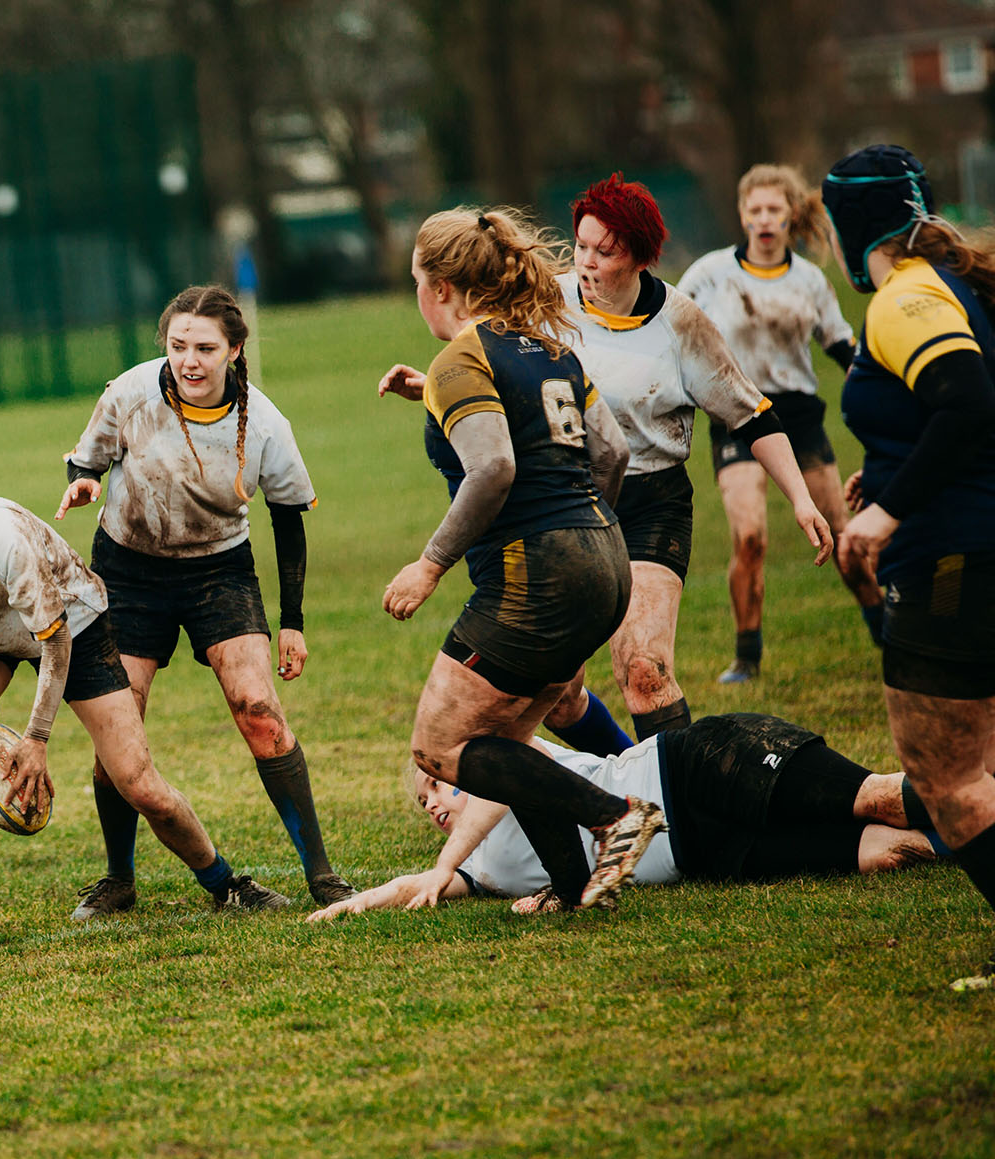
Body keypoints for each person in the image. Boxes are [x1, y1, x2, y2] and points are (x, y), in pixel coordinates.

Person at [0, 431, 288, 961]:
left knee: (137, 781)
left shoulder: (0, 538)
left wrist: (34, 738)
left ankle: (227, 885)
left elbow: (53, 640)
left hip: (71, 629)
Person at [375, 206, 660, 914]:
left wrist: (430, 564)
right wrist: (583, 541)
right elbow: (612, 454)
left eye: (416, 281)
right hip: (605, 555)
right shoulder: (548, 349)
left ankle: (614, 815)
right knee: (508, 736)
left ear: (440, 287)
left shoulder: (461, 358)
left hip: (537, 573)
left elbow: (495, 467)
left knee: (441, 750)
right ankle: (569, 887)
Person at [55, 285, 354, 909]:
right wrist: (84, 483)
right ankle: (118, 878)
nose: (190, 360)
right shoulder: (131, 392)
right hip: (128, 573)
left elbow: (288, 516)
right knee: (120, 725)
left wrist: (292, 621)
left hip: (219, 571)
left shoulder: (265, 423)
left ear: (234, 350)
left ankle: (321, 875)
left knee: (258, 710)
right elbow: (86, 461)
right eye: (178, 345)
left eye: (206, 348)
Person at [540, 173, 832, 748]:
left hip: (650, 504)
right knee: (555, 692)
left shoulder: (682, 324)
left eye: (606, 251)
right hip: (568, 505)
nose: (587, 263)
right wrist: (433, 385)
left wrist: (801, 499)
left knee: (644, 671)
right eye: (581, 246)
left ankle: (689, 807)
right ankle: (642, 791)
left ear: (641, 257)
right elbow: (490, 366)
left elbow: (754, 416)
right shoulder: (547, 300)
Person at [821, 144, 995, 991]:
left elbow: (966, 400)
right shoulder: (951, 282)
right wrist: (886, 470)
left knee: (948, 783)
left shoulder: (904, 296)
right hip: (974, 541)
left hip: (955, 556)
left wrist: (889, 508)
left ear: (852, 227)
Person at [307, 713, 936, 919]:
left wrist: (443, 865)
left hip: (692, 768)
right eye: (424, 803)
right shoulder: (478, 868)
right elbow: (412, 888)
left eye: (439, 786)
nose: (435, 803)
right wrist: (355, 904)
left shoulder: (508, 764)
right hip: (706, 856)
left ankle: (971, 791)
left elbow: (500, 792)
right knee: (886, 853)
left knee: (877, 798)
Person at [679, 163, 882, 682]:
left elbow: (842, 347)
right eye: (755, 210)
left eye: (774, 209)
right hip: (737, 413)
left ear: (791, 215)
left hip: (798, 418)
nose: (764, 220)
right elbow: (669, 328)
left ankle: (886, 631)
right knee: (750, 537)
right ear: (742, 215)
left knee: (842, 538)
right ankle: (746, 655)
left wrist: (885, 389)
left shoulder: (810, 280)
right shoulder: (709, 274)